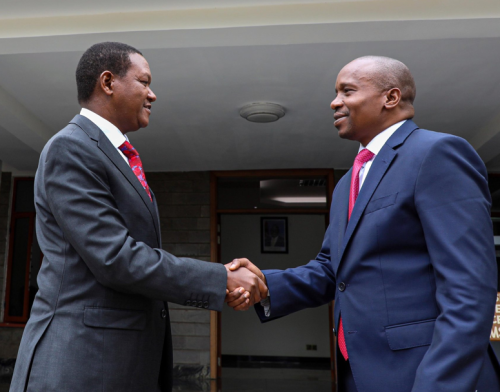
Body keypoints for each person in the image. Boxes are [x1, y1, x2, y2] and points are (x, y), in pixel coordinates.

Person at [226, 56, 500, 391]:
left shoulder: (437, 154)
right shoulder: (348, 183)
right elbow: (332, 269)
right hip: (360, 370)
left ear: (391, 97)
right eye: (336, 92)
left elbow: (469, 287)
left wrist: (438, 384)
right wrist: (263, 285)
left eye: (347, 91)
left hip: (424, 374)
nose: (334, 101)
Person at [10, 42, 266, 392]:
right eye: (144, 82)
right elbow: (115, 257)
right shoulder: (71, 148)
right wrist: (219, 278)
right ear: (108, 82)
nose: (153, 95)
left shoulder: (118, 155)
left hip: (117, 363)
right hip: (82, 365)